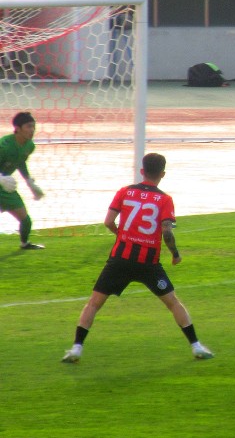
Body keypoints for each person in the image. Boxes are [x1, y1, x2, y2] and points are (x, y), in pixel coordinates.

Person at [62, 153, 214, 363]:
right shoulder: (165, 199)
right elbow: (167, 233)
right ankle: (196, 346)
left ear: (142, 171)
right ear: (162, 174)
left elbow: (108, 221)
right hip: (148, 263)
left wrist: (122, 236)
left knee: (94, 304)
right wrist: (176, 254)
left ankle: (76, 348)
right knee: (173, 303)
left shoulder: (125, 192)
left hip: (120, 259)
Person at [0, 111, 46, 250]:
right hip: (3, 182)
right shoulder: (4, 146)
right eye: (28, 126)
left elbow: (20, 162)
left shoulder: (29, 145)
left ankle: (24, 244)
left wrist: (30, 183)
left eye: (33, 126)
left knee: (26, 220)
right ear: (18, 128)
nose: (32, 130)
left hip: (5, 188)